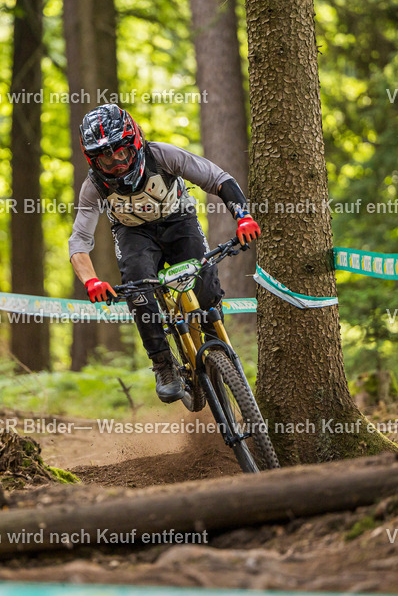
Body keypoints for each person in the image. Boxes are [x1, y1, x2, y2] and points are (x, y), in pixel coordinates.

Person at [68, 104, 260, 404]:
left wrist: (243, 216)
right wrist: (91, 281)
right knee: (139, 288)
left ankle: (214, 343)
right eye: (106, 157)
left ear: (134, 142)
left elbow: (217, 178)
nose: (117, 162)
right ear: (93, 159)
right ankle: (163, 364)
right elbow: (79, 240)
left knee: (206, 288)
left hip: (178, 220)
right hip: (134, 235)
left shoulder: (162, 155)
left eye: (121, 152)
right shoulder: (93, 186)